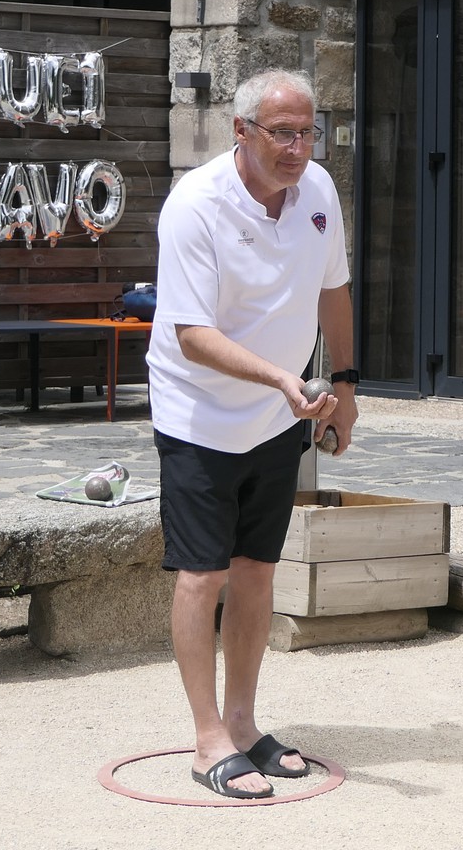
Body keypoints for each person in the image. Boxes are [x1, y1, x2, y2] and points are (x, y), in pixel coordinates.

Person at [147, 67, 358, 798]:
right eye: (282, 133)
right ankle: (207, 737)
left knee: (257, 569)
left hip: (279, 412)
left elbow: (334, 289)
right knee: (202, 573)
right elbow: (191, 335)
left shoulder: (319, 192)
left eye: (308, 133)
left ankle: (242, 722)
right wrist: (280, 377)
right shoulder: (195, 205)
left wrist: (346, 385)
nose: (298, 149)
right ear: (241, 131)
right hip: (198, 411)